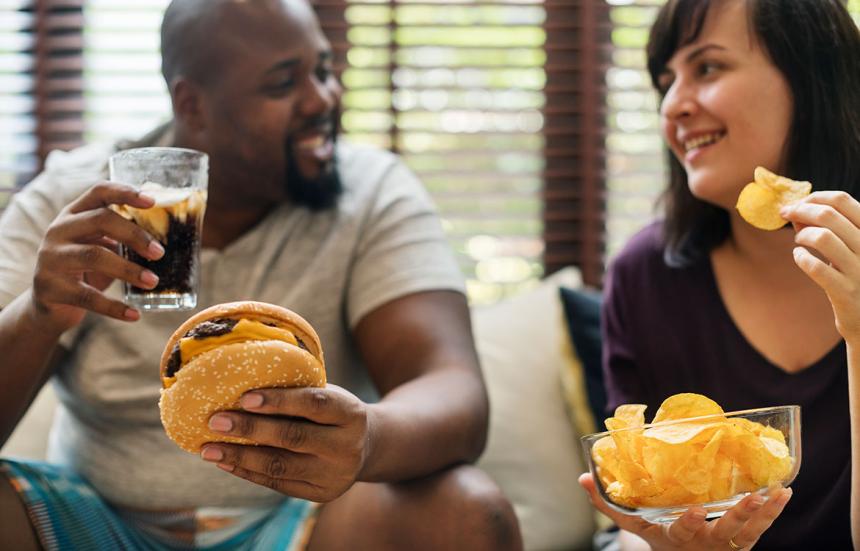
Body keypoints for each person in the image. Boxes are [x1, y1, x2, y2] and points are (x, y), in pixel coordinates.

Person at [0, 1, 523, 549]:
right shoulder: (75, 203)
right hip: (93, 518)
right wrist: (37, 316)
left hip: (307, 523)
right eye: (283, 84)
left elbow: (454, 391)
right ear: (193, 105)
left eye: (323, 70)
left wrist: (368, 439)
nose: (322, 98)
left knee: (471, 510)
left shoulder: (373, 192)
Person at [578, 0, 860, 549]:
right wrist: (663, 543)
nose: (673, 106)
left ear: (813, 77)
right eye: (666, 82)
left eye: (707, 67)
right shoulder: (644, 275)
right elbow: (635, 517)